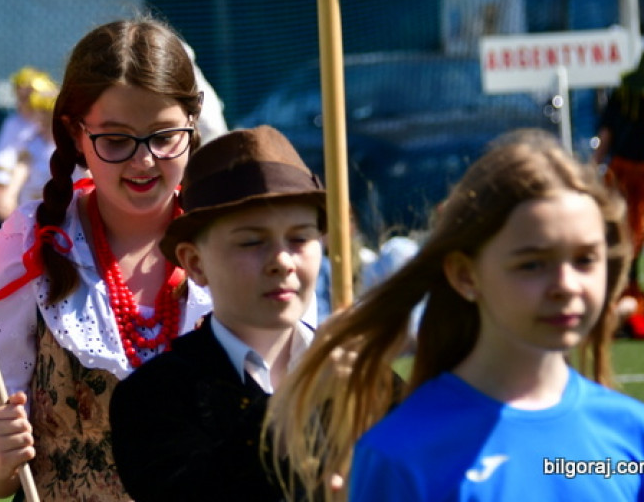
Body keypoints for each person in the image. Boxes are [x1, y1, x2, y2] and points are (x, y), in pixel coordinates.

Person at [0, 17, 212, 501]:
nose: (143, 161)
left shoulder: (228, 241)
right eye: (115, 139)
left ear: (191, 126)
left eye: (164, 136)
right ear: (76, 133)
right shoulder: (31, 247)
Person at [267, 129, 644, 501]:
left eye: (585, 260)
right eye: (532, 264)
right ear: (465, 275)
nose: (566, 285)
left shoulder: (630, 431)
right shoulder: (402, 452)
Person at [109, 125, 326, 501]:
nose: (281, 261)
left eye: (300, 238)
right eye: (251, 241)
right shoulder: (154, 398)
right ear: (195, 263)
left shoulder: (365, 382)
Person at [593, 53, 644, 337]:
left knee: (623, 239)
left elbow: (606, 133)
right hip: (635, 176)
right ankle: (629, 308)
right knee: (631, 241)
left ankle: (623, 304)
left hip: (620, 172)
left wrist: (593, 165)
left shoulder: (624, 88)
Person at [0, 67, 55, 222]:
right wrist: (4, 197)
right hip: (30, 207)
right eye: (21, 97)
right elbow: (11, 164)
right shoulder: (15, 125)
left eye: (29, 97)